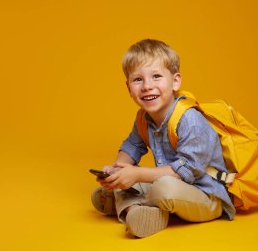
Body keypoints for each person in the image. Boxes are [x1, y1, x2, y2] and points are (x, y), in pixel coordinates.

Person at [91, 39, 235, 238]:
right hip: (174, 185)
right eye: (137, 80)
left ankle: (127, 203)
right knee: (131, 181)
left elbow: (186, 170)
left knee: (163, 187)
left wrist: (136, 175)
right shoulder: (143, 118)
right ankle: (135, 213)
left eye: (156, 76)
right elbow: (132, 145)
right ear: (128, 88)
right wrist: (117, 171)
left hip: (206, 195)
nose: (147, 86)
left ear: (175, 81)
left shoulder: (190, 120)